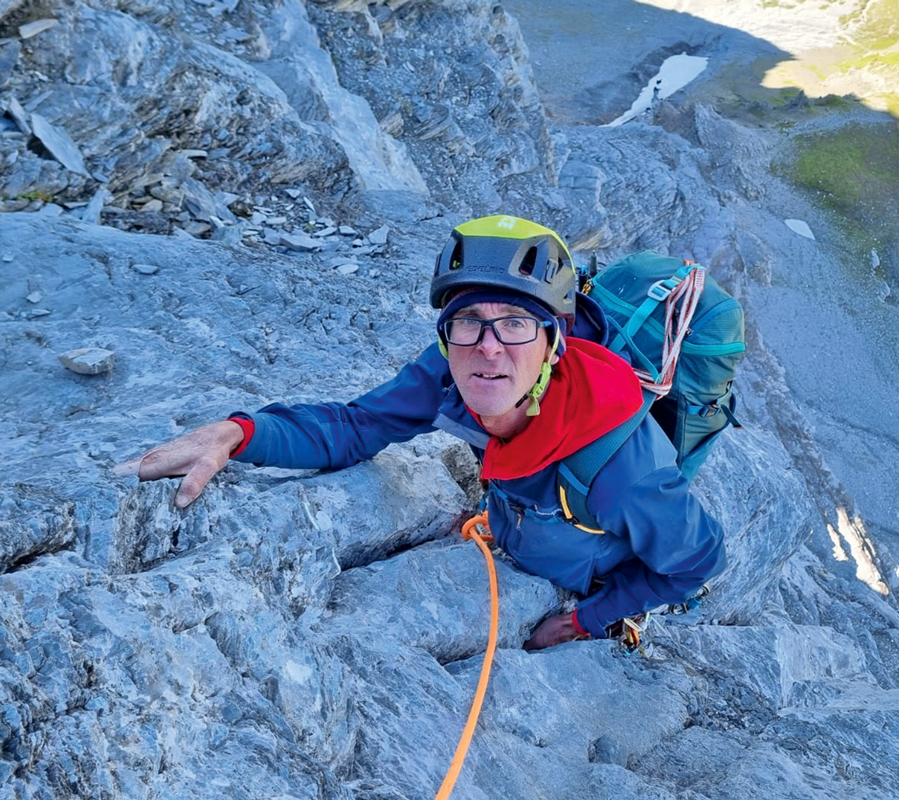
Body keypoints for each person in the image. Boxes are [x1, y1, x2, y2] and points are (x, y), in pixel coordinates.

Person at [114, 215, 726, 650]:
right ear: (445, 333)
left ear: (553, 344)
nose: (488, 349)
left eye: (515, 323)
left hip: (578, 580)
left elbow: (697, 560)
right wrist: (238, 433)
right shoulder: (447, 373)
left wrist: (587, 619)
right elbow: (355, 427)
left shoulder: (620, 467)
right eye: (467, 322)